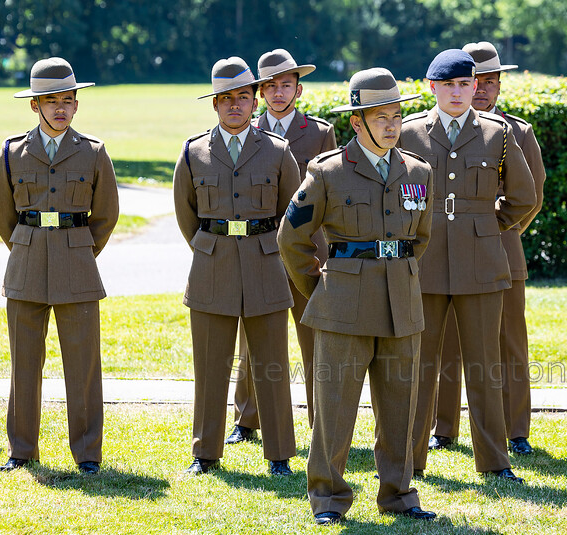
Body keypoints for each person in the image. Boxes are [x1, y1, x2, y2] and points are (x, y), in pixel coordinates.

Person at [277, 68, 436, 525]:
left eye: (397, 115)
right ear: (356, 122)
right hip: (342, 305)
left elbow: (420, 238)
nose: (391, 125)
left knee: (401, 407)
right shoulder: (326, 172)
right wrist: (321, 291)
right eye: (380, 117)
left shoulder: (419, 171)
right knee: (333, 409)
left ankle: (400, 495)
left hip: (400, 306)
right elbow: (292, 239)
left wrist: (396, 273)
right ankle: (327, 498)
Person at [399, 49, 536, 482]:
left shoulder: (497, 133)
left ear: (476, 86)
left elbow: (524, 196)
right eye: (448, 85)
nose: (457, 93)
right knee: (419, 366)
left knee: (484, 367)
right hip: (426, 260)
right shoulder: (408, 133)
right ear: (431, 87)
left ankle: (495, 462)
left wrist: (486, 225)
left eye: (465, 84)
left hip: (482, 260)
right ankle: (411, 460)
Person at [0, 57, 119, 474]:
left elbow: (105, 215)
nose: (60, 108)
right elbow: (2, 215)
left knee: (83, 365)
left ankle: (87, 455)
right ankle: (21, 450)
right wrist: (27, 247)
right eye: (50, 101)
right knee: (24, 363)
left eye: (67, 100)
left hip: (77, 266)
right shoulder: (11, 153)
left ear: (77, 104)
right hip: (25, 266)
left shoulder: (94, 153)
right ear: (35, 106)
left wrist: (78, 250)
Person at [173, 57, 298, 475]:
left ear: (254, 99)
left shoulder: (278, 152)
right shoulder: (193, 153)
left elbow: (292, 213)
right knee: (210, 365)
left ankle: (279, 454)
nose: (234, 106)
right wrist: (210, 247)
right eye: (225, 99)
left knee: (271, 364)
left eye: (242, 97)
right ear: (214, 104)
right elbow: (186, 215)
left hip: (264, 263)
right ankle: (205, 454)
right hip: (213, 265)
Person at [431, 41, 546, 456]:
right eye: (466, 82)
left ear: (495, 85)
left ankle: (515, 429)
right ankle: (443, 427)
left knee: (508, 341)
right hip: (441, 250)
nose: (478, 91)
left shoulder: (514, 131)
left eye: (487, 83)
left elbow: (532, 193)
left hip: (500, 247)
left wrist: (497, 228)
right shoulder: (426, 129)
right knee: (444, 342)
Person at [225, 48, 337, 445]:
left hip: (307, 247)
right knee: (252, 338)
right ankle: (246, 419)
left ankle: (319, 420)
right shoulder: (244, 130)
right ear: (258, 90)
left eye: (285, 85)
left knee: (315, 334)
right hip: (258, 249)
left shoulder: (320, 132)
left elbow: (332, 191)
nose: (277, 92)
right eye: (269, 86)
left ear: (298, 89)